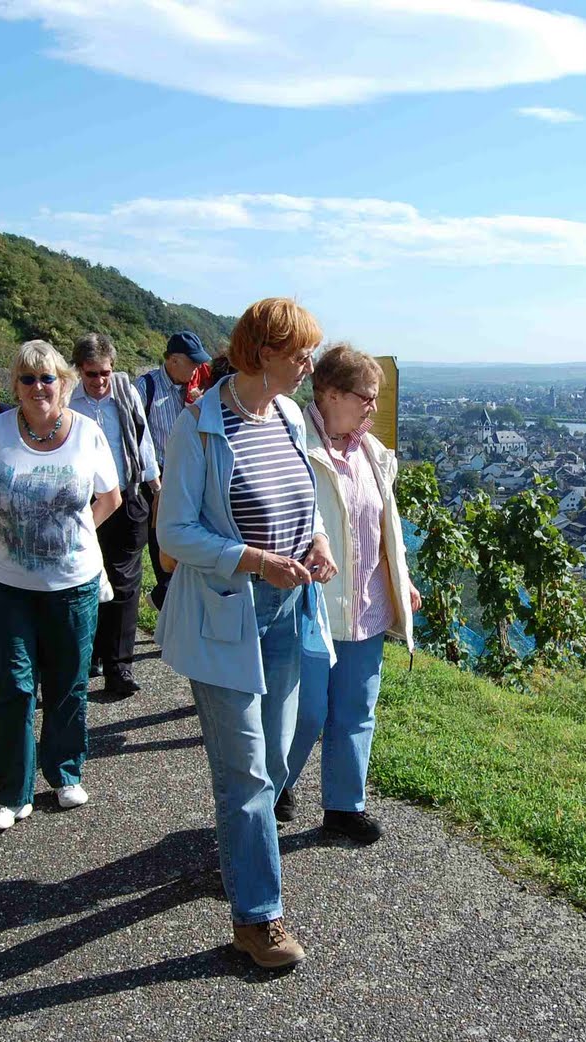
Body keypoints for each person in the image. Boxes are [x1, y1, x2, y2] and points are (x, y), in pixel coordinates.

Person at [154, 298, 338, 969]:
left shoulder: (287, 415)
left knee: (285, 747)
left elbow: (304, 501)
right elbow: (174, 534)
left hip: (290, 607)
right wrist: (257, 561)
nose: (309, 365)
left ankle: (239, 852)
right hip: (230, 612)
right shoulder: (199, 427)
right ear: (263, 354)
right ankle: (258, 919)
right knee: (247, 773)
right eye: (300, 354)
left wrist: (317, 540)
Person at [0, 340, 122, 831]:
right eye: (27, 379)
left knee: (68, 683)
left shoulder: (88, 433)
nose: (38, 387)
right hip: (6, 583)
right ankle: (13, 794)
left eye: (47, 378)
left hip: (73, 583)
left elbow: (110, 498)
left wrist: (75, 534)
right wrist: (4, 531)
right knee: (14, 686)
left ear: (63, 383)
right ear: (15, 386)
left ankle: (65, 771)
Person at [281, 344, 418, 844]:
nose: (373, 407)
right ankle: (273, 788)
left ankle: (344, 806)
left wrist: (401, 578)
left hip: (366, 606)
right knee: (305, 713)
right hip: (311, 606)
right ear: (331, 394)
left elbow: (383, 529)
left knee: (357, 710)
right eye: (366, 396)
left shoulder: (373, 453)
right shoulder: (293, 443)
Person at [68, 332, 159, 699]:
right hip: (82, 503)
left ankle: (119, 667)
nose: (100, 381)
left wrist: (156, 489)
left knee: (124, 583)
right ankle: (87, 655)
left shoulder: (125, 392)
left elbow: (142, 440)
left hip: (127, 497)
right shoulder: (67, 399)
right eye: (92, 374)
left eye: (105, 372)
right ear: (79, 370)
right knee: (84, 580)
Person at [136, 330, 213, 611]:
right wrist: (154, 482)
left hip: (187, 477)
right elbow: (135, 438)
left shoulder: (196, 390)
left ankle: (167, 600)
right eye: (192, 363)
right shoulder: (145, 388)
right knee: (161, 546)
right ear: (173, 360)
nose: (196, 369)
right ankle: (167, 602)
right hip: (155, 478)